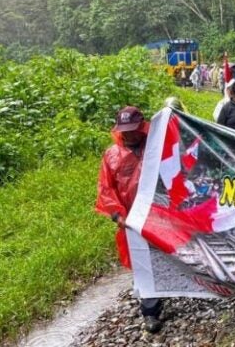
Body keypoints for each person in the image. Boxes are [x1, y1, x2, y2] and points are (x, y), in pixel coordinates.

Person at [95, 106, 163, 333]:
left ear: (142, 127)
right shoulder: (112, 155)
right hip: (132, 219)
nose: (129, 135)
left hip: (159, 214)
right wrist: (117, 214)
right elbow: (107, 189)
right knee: (142, 263)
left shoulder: (156, 147)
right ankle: (150, 311)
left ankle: (166, 290)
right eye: (125, 131)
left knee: (164, 255)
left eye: (133, 130)